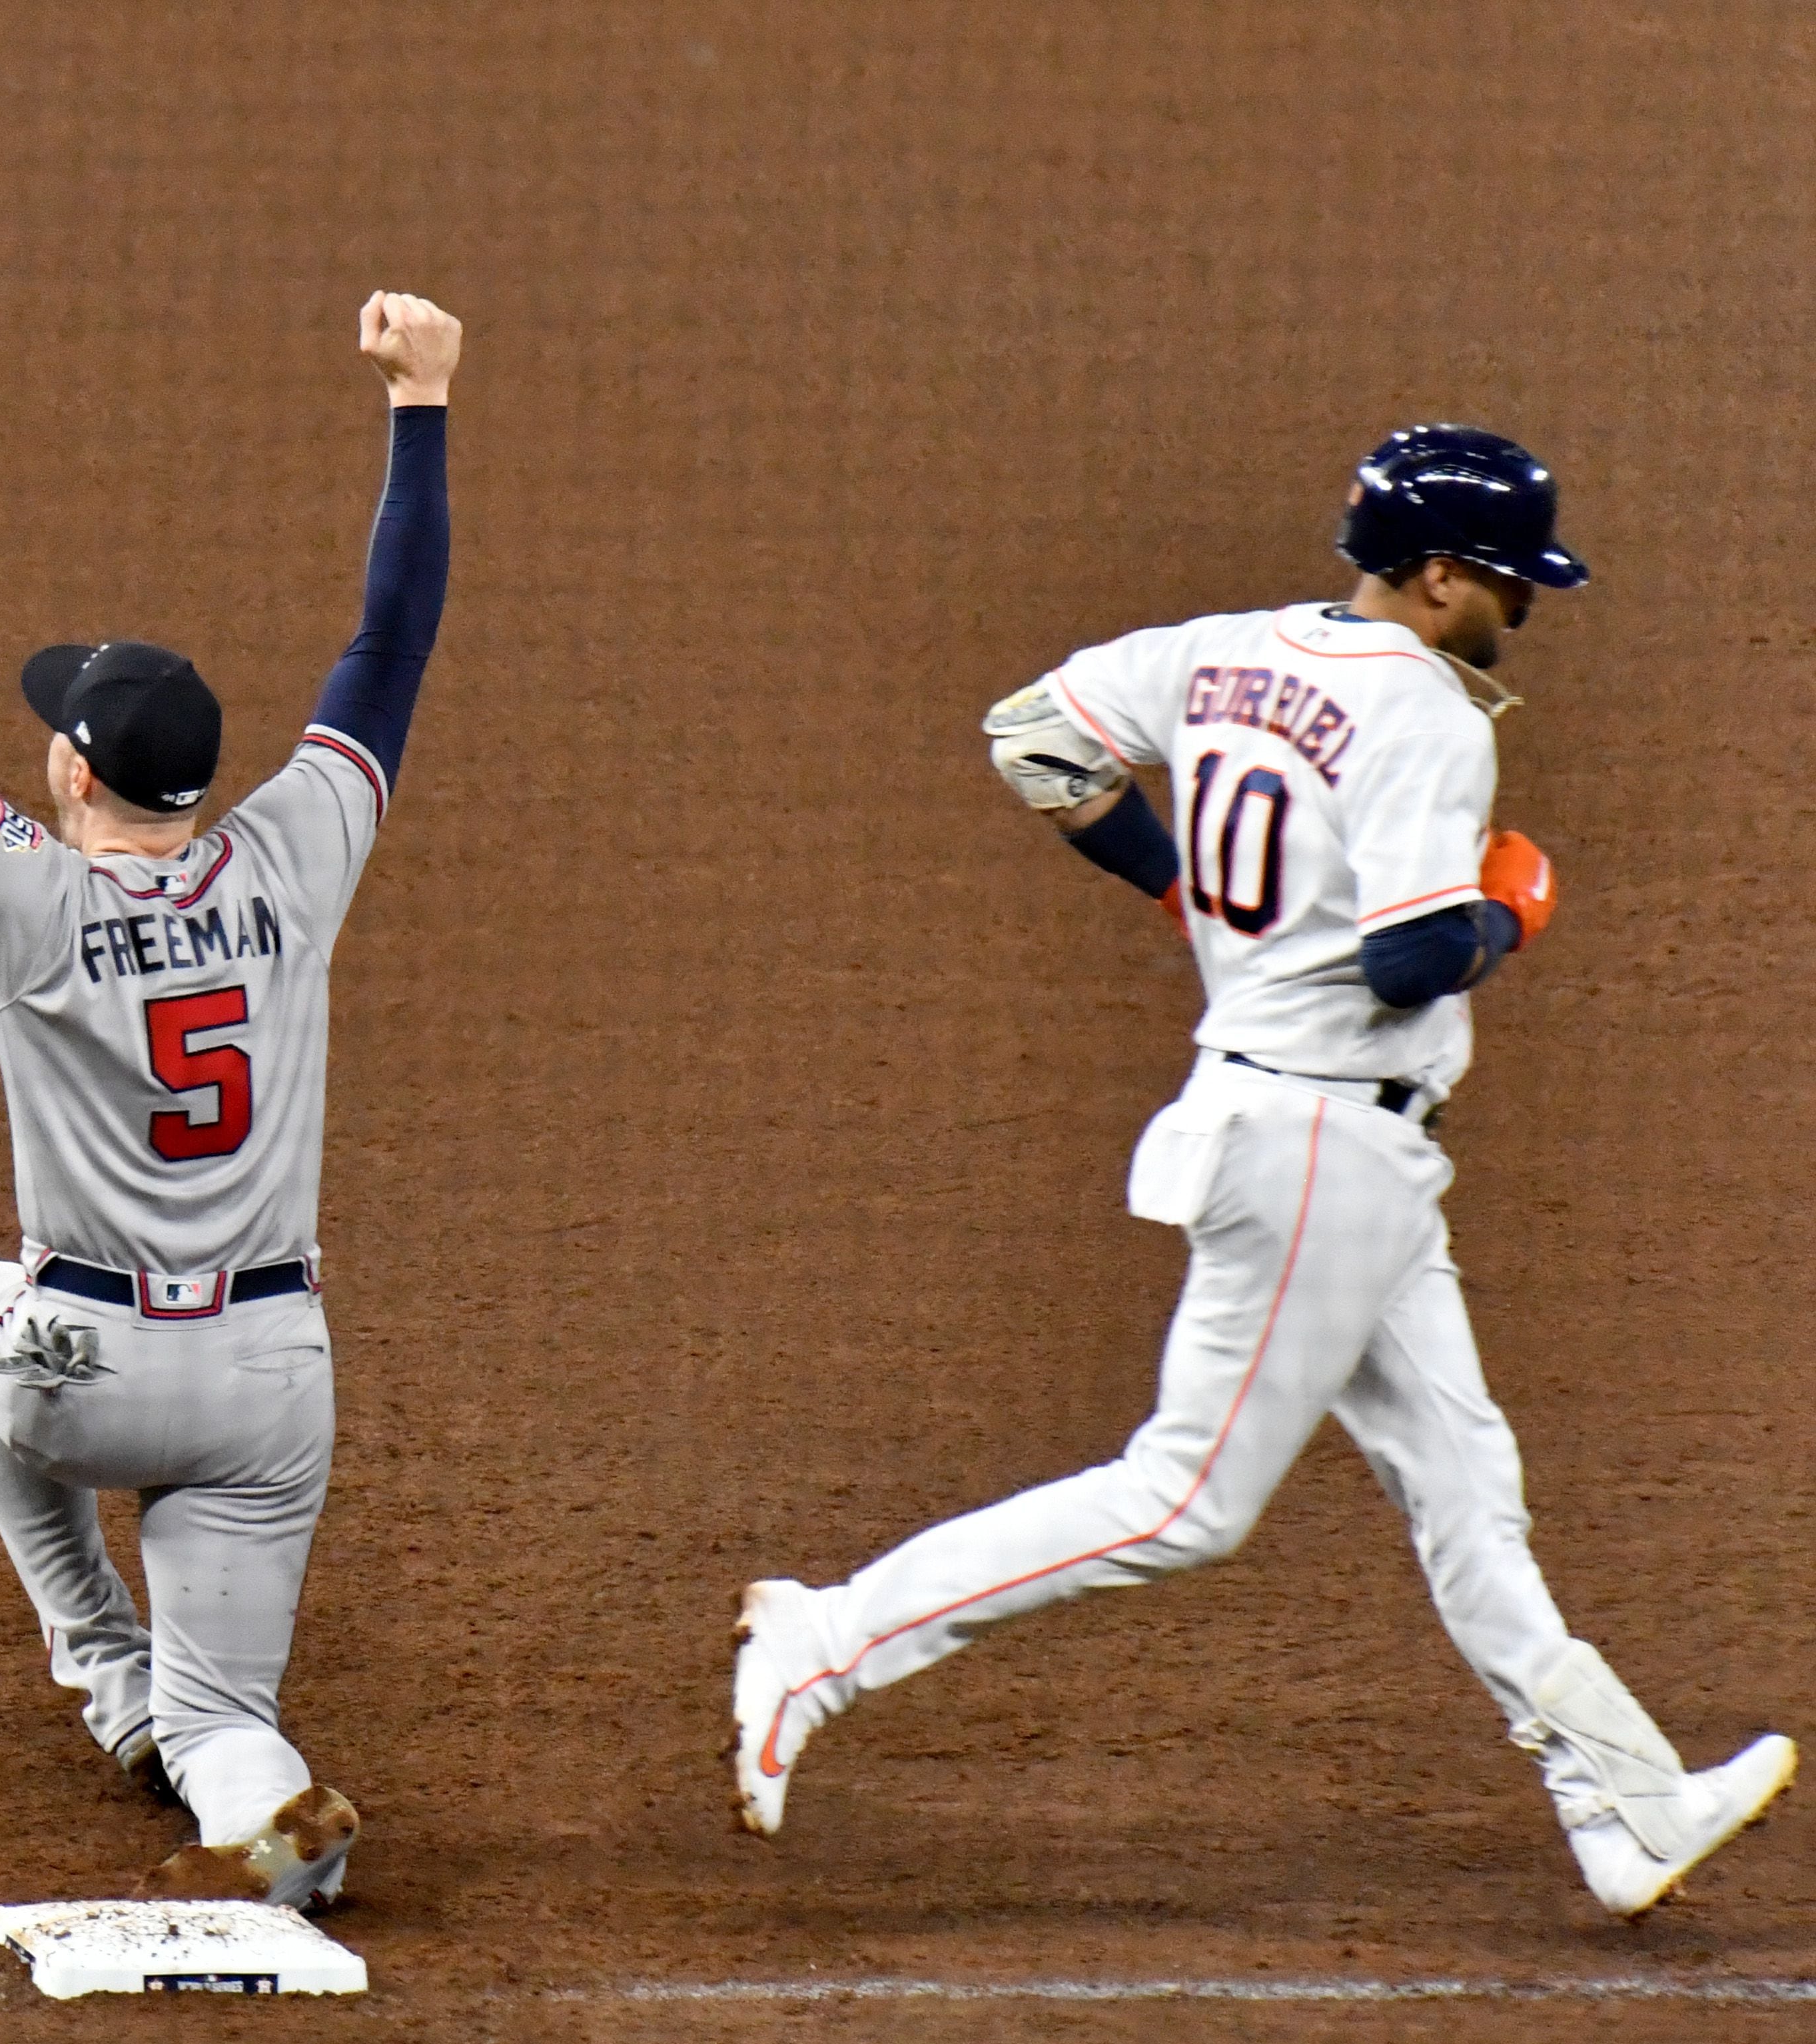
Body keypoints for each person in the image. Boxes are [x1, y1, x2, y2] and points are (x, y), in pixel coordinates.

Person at [729, 426, 1794, 1917]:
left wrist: (1176, 888)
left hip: (1319, 1141)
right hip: (1311, 1148)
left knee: (1467, 1491)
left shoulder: (1216, 652)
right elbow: (1413, 953)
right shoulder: (1428, 717)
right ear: (1433, 578)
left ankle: (1618, 1804)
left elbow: (1031, 739)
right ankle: (826, 1641)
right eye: (1504, 580)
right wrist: (1510, 913)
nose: (1523, 606)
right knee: (1182, 1503)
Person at [0, 288, 459, 1906]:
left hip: (83, 1369)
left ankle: (102, 1674)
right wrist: (421, 401)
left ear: (73, 772)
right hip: (273, 1383)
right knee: (233, 1718)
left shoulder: (22, 900)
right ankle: (245, 1803)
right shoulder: (299, 850)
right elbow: (387, 640)